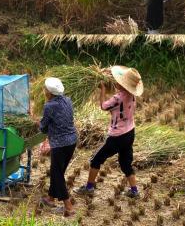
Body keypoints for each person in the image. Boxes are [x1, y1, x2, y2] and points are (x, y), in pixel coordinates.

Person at [75, 66, 143, 199]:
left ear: (122, 84)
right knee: (125, 163)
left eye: (118, 81)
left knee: (96, 159)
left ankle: (89, 188)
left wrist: (103, 91)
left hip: (117, 136)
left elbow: (103, 106)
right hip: (130, 132)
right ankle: (134, 191)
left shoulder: (118, 98)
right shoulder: (132, 95)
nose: (116, 82)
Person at [38, 77, 78, 217]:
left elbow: (43, 128)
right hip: (72, 141)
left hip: (60, 144)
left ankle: (68, 207)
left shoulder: (49, 106)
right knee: (58, 171)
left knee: (57, 174)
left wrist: (38, 123)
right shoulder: (68, 100)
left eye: (45, 89)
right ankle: (50, 198)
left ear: (49, 92)